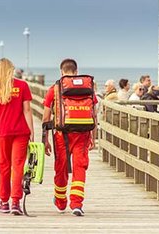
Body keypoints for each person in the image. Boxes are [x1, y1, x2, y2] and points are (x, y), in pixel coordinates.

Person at [42, 58, 97, 216]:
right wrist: (94, 136)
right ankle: (76, 204)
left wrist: (45, 140)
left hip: (61, 135)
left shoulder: (55, 89)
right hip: (83, 134)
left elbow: (46, 117)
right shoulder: (88, 88)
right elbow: (94, 114)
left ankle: (60, 202)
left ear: (61, 71)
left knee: (61, 168)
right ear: (76, 71)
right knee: (80, 167)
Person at [0, 58, 34, 215]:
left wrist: (0, 122)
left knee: (4, 166)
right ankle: (15, 202)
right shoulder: (22, 85)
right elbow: (27, 110)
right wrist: (32, 131)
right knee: (18, 166)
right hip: (21, 131)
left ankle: (4, 201)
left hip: (3, 132)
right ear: (11, 70)